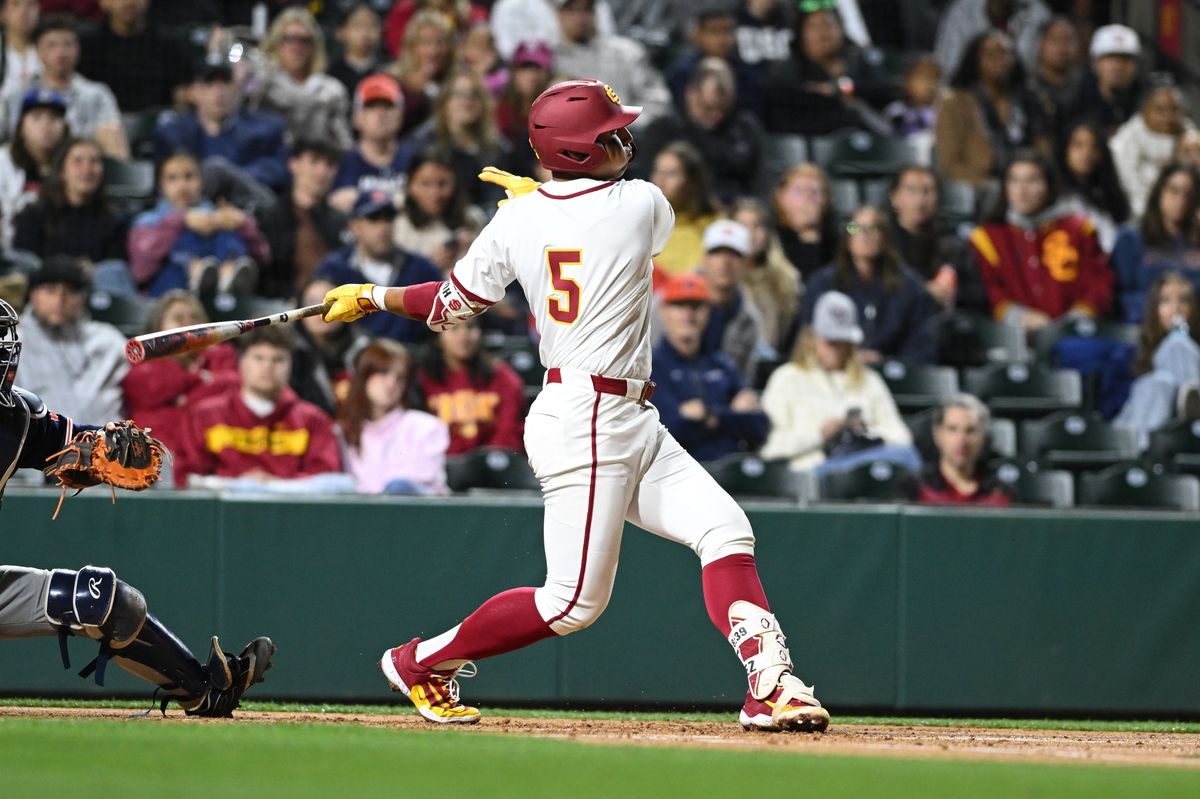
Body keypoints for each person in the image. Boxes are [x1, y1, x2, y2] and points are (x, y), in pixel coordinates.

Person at [321, 78, 830, 732]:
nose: (625, 139)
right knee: (570, 604)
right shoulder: (643, 202)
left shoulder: (518, 218)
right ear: (581, 152)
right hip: (587, 421)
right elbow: (602, 228)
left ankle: (771, 684)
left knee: (725, 530)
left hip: (627, 417)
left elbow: (449, 307)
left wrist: (373, 295)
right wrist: (547, 205)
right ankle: (423, 660)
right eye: (609, 133)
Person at [0, 297, 275, 717]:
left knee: (104, 599)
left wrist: (107, 446)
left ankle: (205, 692)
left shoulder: (15, 418)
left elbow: (73, 442)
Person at [761, 290, 917, 476]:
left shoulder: (868, 379)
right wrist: (820, 434)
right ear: (812, 338)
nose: (837, 349)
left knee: (908, 457)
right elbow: (769, 448)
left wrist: (867, 432)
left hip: (861, 466)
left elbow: (902, 437)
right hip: (812, 473)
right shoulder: (786, 378)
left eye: (843, 341)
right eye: (830, 341)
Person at [178, 325, 348, 492]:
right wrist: (243, 486)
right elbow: (187, 480)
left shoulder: (313, 421)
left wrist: (271, 486)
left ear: (291, 365)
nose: (268, 366)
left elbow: (326, 482)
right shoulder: (203, 417)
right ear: (241, 362)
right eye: (259, 358)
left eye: (278, 359)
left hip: (291, 515)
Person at [969, 150, 1113, 331]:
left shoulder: (1079, 230)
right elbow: (990, 290)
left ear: (1048, 185)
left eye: (1031, 180)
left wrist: (1074, 320)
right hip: (1011, 337)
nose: (1022, 190)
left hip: (1075, 334)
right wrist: (1019, 317)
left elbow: (1098, 283)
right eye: (1014, 180)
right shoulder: (986, 239)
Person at [122, 291, 240, 486]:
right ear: (158, 328)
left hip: (212, 458)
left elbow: (234, 389)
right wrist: (200, 379)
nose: (188, 325)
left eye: (194, 318)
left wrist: (183, 395)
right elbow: (148, 388)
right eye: (178, 319)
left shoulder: (221, 355)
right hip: (157, 463)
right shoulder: (143, 365)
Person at [652, 271, 767, 462]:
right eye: (679, 305)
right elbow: (667, 431)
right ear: (663, 312)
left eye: (696, 306)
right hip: (679, 471)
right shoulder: (652, 367)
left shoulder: (720, 364)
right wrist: (732, 415)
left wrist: (709, 415)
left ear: (708, 312)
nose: (689, 314)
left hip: (730, 470)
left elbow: (759, 425)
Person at [801, 205, 938, 364]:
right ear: (847, 237)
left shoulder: (909, 287)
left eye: (874, 228)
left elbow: (921, 346)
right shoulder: (823, 283)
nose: (864, 235)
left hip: (892, 374)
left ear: (885, 237)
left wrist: (886, 361)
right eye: (855, 228)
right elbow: (809, 339)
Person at [127, 150, 269, 297]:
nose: (182, 185)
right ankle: (197, 274)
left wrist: (243, 224)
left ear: (201, 181)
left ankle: (228, 274)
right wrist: (180, 221)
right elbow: (140, 271)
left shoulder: (219, 214)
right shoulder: (147, 221)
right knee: (186, 237)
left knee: (226, 233)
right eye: (172, 178)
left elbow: (263, 258)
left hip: (220, 295)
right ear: (161, 186)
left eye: (189, 176)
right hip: (169, 293)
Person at [153, 61, 289, 210]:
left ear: (236, 89)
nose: (219, 92)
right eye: (209, 84)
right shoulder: (173, 132)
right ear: (195, 92)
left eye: (225, 83)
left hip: (251, 206)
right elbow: (163, 182)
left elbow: (278, 170)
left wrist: (231, 176)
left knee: (217, 168)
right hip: (191, 210)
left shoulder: (264, 128)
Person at [316, 189, 444, 345]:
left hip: (415, 360)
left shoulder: (420, 268)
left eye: (388, 218)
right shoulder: (335, 269)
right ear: (354, 226)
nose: (383, 227)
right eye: (373, 218)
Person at [12, 138, 134, 296]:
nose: (87, 169)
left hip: (93, 296)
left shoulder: (114, 222)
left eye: (94, 161)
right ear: (62, 171)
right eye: (78, 161)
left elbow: (117, 269)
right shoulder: (33, 215)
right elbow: (23, 263)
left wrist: (92, 270)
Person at [634, 57, 762, 206]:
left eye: (723, 109)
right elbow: (646, 186)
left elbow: (757, 185)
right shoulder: (663, 130)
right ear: (691, 95)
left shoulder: (745, 130)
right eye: (708, 107)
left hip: (732, 215)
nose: (717, 116)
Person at [12, 256, 127, 422]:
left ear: (82, 299)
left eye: (70, 291)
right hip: (38, 445)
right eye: (50, 290)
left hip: (106, 443)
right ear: (33, 295)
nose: (60, 299)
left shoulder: (107, 340)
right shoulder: (12, 342)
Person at [934, 30, 1052, 188]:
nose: (1000, 60)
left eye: (1006, 54)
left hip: (1027, 184)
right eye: (990, 54)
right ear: (975, 60)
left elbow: (1044, 149)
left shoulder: (1029, 100)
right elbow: (950, 165)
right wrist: (991, 185)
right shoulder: (955, 103)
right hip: (980, 188)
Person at [0, 15, 127, 158]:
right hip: (25, 168)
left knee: (111, 133)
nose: (61, 53)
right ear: (37, 51)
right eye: (52, 45)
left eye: (68, 44)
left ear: (78, 49)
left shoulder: (97, 94)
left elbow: (113, 144)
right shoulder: (17, 94)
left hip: (79, 169)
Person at [762, 5, 895, 136]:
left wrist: (842, 92)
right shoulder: (790, 72)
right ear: (801, 34)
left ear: (841, 29)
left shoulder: (861, 63)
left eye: (828, 24)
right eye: (814, 26)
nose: (822, 31)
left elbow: (886, 93)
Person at [339, 338, 450, 495]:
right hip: (362, 514)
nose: (391, 383)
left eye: (400, 377)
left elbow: (422, 484)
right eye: (383, 372)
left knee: (399, 487)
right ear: (364, 376)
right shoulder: (343, 431)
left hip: (416, 512)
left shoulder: (426, 427)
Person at [413, 315, 525, 455]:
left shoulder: (503, 377)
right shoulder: (422, 379)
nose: (464, 335)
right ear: (437, 335)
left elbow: (509, 432)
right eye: (454, 328)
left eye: (471, 327)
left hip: (491, 469)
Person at [401, 67, 512, 208]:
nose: (467, 101)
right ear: (445, 101)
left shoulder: (497, 148)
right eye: (460, 95)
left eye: (474, 95)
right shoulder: (423, 142)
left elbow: (499, 196)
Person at [244, 8, 353, 149]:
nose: (296, 47)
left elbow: (344, 142)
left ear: (314, 46)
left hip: (316, 160)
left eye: (304, 40)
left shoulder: (332, 90)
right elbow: (244, 106)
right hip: (269, 158)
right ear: (276, 42)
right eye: (289, 39)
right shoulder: (260, 79)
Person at [1114, 272, 1200, 447]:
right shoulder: (1132, 351)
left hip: (1177, 427)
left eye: (1183, 301)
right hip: (1143, 418)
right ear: (1154, 308)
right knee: (1161, 381)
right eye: (1166, 301)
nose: (1176, 308)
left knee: (1179, 343)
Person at [888, 165, 988, 313]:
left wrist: (952, 291)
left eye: (927, 191)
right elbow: (848, 228)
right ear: (895, 198)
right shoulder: (881, 237)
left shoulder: (954, 244)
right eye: (911, 190)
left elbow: (977, 296)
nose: (920, 200)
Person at [552, 0, 672, 125]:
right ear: (558, 14)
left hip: (629, 134)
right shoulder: (549, 59)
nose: (580, 17)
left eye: (587, 9)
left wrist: (619, 123)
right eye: (572, 10)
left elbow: (658, 101)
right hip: (572, 136)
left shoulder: (627, 52)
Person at [256, 139, 347, 299]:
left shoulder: (341, 222)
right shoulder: (267, 216)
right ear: (293, 164)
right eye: (314, 161)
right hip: (280, 305)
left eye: (330, 164)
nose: (322, 171)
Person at [1110, 163, 1200, 323]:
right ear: (1159, 192)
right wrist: (1163, 310)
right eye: (1174, 191)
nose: (1181, 200)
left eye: (1189, 194)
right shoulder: (1131, 238)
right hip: (1141, 328)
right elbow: (1119, 296)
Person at [77, 0, 193, 112]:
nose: (129, 3)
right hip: (102, 123)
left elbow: (183, 90)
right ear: (104, 2)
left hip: (156, 124)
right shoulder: (88, 45)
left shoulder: (169, 43)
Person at [393, 146, 486, 273]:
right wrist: (427, 267)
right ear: (410, 186)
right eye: (425, 184)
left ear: (455, 183)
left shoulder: (473, 219)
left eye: (442, 184)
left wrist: (475, 251)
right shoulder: (395, 222)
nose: (434, 194)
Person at [696, 218, 768, 382]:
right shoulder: (672, 302)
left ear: (745, 263)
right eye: (717, 252)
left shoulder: (749, 319)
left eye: (734, 254)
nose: (725, 262)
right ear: (704, 259)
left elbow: (745, 379)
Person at [1110, 79, 1192, 218]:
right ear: (1144, 110)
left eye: (1174, 109)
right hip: (1138, 216)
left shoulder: (1190, 136)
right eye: (1160, 109)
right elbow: (1131, 191)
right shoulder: (1124, 142)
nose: (1168, 117)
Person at [289, 278, 371, 418]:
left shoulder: (366, 350)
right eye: (311, 302)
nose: (320, 309)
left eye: (330, 302)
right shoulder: (289, 355)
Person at [0, 87, 67, 254]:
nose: (46, 125)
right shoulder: (3, 161)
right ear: (21, 126)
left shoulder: (74, 163)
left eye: (54, 118)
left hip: (59, 250)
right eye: (37, 117)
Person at [665, 3, 762, 117]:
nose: (723, 39)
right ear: (697, 34)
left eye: (728, 31)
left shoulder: (747, 75)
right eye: (714, 31)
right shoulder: (681, 74)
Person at [330, 73, 407, 214]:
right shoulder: (342, 161)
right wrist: (396, 199)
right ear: (356, 117)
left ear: (400, 116)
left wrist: (360, 197)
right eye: (371, 107)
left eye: (388, 107)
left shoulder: (414, 159)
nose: (380, 115)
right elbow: (337, 202)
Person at [731, 196, 799, 356]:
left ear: (768, 233)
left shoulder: (786, 280)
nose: (750, 234)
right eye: (743, 226)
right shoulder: (720, 277)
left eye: (757, 226)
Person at [915, 393, 1011, 506]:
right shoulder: (916, 487)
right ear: (937, 434)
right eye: (952, 429)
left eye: (970, 431)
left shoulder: (1001, 492)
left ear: (984, 437)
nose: (961, 440)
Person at [1056, 120, 1130, 252]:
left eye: (1094, 146)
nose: (1086, 152)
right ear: (1064, 150)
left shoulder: (1107, 192)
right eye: (1078, 145)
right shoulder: (1056, 195)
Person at [648, 141, 721, 275]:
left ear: (691, 181)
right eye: (658, 172)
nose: (660, 181)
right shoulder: (644, 222)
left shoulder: (715, 224)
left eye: (671, 174)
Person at [933, 0, 1052, 79]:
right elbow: (946, 69)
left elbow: (1048, 71)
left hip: (1024, 99)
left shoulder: (1038, 14)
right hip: (971, 95)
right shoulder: (962, 12)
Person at [1064, 23, 1144, 136]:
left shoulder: (1147, 99)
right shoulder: (1076, 100)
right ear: (1095, 63)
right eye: (1111, 57)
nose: (1118, 66)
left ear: (1135, 65)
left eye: (1125, 58)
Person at [494, 39, 555, 177]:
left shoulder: (554, 112)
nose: (531, 75)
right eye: (524, 67)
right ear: (514, 72)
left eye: (537, 68)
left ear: (548, 73)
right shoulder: (501, 112)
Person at [389, 10, 455, 136]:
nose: (433, 51)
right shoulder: (394, 83)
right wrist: (416, 93)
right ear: (412, 47)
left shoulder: (458, 81)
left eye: (440, 43)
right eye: (425, 43)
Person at [772, 162, 838, 284]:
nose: (808, 197)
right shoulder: (769, 236)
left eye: (815, 191)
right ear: (781, 197)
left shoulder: (839, 235)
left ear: (826, 201)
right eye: (799, 191)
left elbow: (855, 229)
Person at [883, 55, 940, 166]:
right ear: (907, 82)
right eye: (923, 78)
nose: (929, 85)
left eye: (934, 79)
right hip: (902, 165)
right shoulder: (896, 111)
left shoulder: (943, 112)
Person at [1030, 15, 1082, 126]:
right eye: (1055, 40)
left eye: (1068, 39)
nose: (1062, 47)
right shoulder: (1029, 88)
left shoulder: (1087, 85)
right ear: (1040, 45)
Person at [328, 2, 385, 97]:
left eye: (373, 25)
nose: (366, 32)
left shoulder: (388, 72)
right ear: (341, 32)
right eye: (358, 26)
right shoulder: (331, 74)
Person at [0, 0, 40, 97]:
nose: (24, 11)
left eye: (31, 5)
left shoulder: (50, 47)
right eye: (15, 4)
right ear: (2, 13)